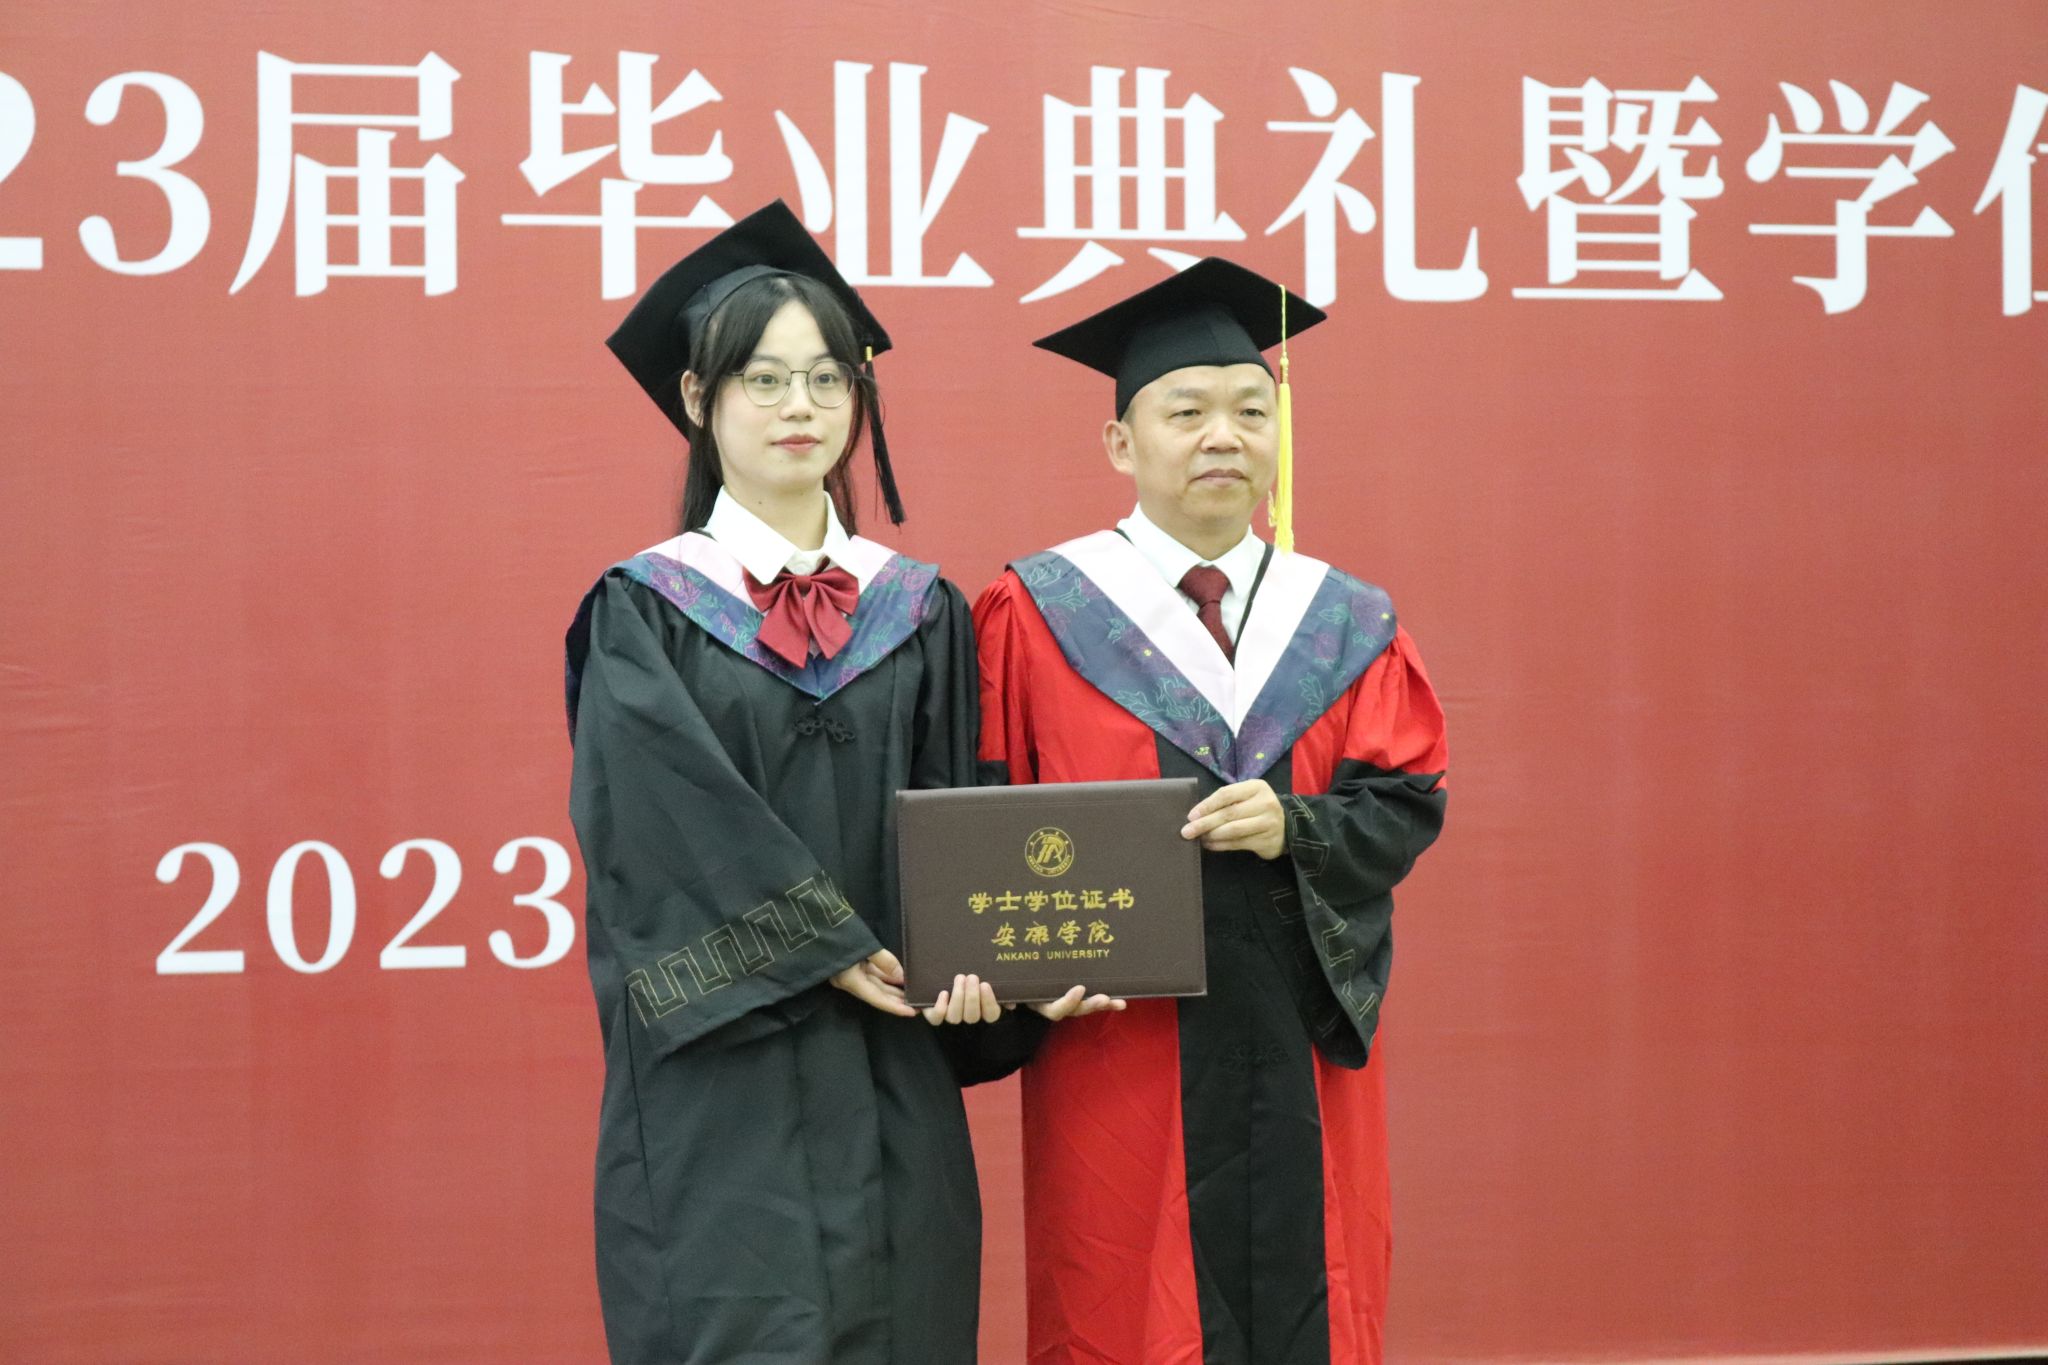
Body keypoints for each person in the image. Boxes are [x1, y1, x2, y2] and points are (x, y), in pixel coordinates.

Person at [565, 201, 1075, 1365]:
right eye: (762, 379)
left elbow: (953, 817)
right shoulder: (646, 608)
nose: (799, 407)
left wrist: (987, 969)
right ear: (697, 399)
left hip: (891, 1063)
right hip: (725, 1077)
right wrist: (823, 946)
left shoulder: (919, 609)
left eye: (826, 379)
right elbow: (656, 821)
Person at [973, 258, 1450, 1365]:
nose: (1222, 437)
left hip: (1296, 1038)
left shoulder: (1343, 622)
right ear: (1121, 443)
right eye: (1185, 412)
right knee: (1122, 1298)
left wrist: (1300, 828)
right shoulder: (1035, 613)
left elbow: (1400, 804)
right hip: (1118, 1047)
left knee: (1312, 1293)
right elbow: (984, 822)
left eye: (1250, 410)